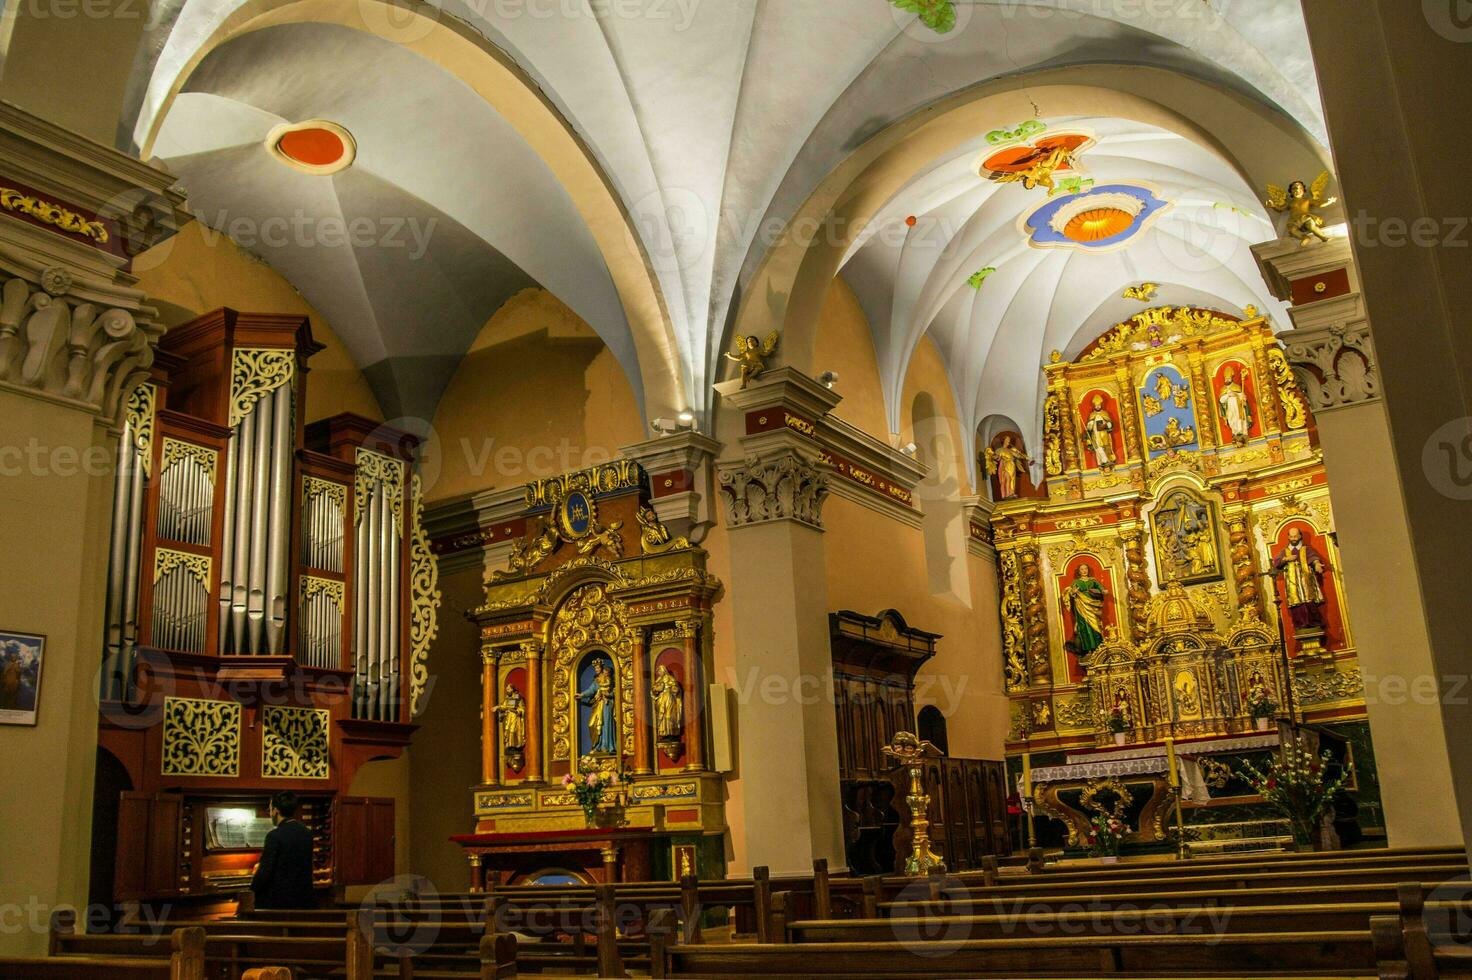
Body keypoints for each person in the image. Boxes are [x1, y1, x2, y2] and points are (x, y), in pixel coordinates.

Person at [251, 791, 316, 909]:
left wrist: (252, 889)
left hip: (279, 903)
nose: (270, 814)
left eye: (270, 809)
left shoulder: (274, 836)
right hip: (304, 900)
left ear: (276, 810)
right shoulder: (307, 833)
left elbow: (265, 872)